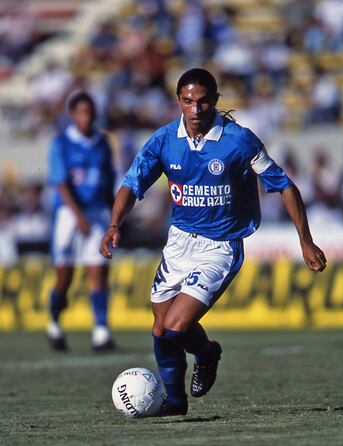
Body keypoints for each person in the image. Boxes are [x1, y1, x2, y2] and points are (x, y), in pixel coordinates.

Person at [100, 68, 327, 416]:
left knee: (177, 326)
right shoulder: (164, 140)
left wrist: (305, 241)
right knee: (160, 329)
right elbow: (132, 184)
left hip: (219, 246)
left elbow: (284, 186)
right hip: (178, 243)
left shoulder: (239, 141)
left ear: (215, 101)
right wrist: (115, 223)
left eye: (203, 101)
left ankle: (206, 354)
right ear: (178, 101)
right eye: (188, 101)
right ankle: (176, 404)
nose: (195, 109)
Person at [47, 91, 116, 352]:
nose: (86, 118)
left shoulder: (102, 143)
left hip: (97, 210)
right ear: (72, 115)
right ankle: (54, 321)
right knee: (64, 276)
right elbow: (60, 183)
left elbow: (109, 181)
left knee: (98, 268)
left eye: (89, 112)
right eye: (81, 112)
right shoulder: (61, 143)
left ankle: (101, 331)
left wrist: (114, 219)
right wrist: (78, 216)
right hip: (68, 213)